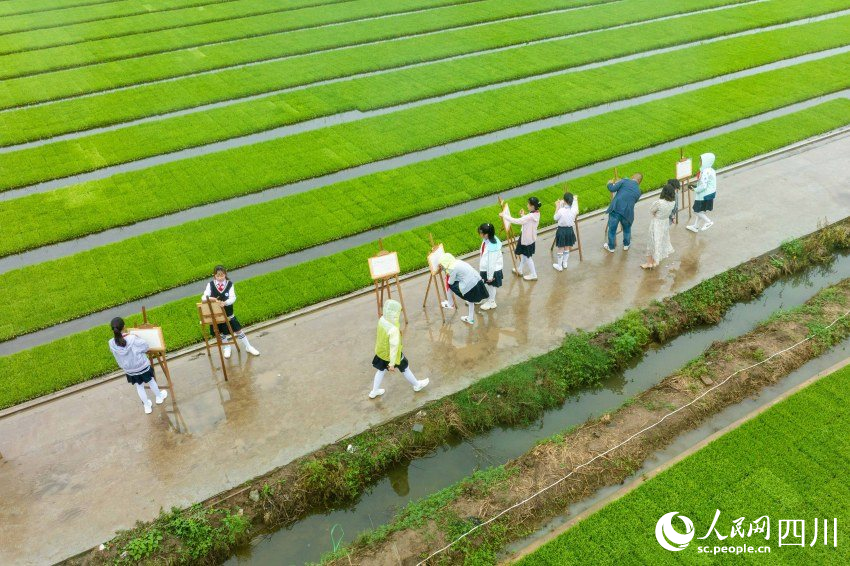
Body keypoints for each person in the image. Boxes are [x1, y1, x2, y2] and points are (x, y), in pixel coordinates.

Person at [370, 300, 429, 399]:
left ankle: (374, 391)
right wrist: (392, 363)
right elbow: (394, 347)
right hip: (392, 355)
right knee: (405, 368)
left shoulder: (382, 320)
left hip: (381, 352)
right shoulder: (393, 329)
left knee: (381, 371)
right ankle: (417, 385)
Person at [108, 317, 167, 414]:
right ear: (124, 327)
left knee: (139, 386)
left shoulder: (111, 343)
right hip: (141, 366)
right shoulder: (132, 338)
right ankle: (159, 397)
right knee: (151, 381)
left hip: (129, 369)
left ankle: (147, 406)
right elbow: (145, 347)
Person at [201, 265, 260, 358]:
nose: (220, 278)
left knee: (238, 330)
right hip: (216, 315)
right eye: (218, 276)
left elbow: (233, 297)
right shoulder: (210, 285)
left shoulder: (230, 284)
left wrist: (225, 303)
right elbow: (204, 297)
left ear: (225, 274)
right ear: (214, 276)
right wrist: (212, 299)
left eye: (222, 275)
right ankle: (227, 347)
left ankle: (248, 346)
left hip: (228, 313)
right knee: (220, 333)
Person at [440, 253, 489, 325]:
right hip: (477, 281)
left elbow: (451, 282)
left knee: (449, 284)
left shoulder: (452, 268)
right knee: (471, 299)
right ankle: (470, 318)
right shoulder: (458, 262)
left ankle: (450, 304)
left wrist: (447, 274)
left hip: (469, 286)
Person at [500, 196, 541, 281]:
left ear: (532, 206)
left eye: (528, 204)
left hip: (527, 239)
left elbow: (517, 221)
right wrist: (523, 215)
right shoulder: (536, 213)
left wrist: (504, 215)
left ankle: (534, 274)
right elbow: (527, 221)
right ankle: (520, 269)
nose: (527, 205)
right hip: (529, 238)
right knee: (524, 255)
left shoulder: (530, 216)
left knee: (527, 256)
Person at [642, 183, 677, 270]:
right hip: (665, 223)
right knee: (659, 241)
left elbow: (652, 210)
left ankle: (649, 263)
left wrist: (655, 215)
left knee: (651, 242)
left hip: (656, 223)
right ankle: (654, 261)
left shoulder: (659, 202)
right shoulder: (673, 202)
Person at [604, 173, 642, 252]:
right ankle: (626, 245)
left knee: (612, 230)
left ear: (632, 177)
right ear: (639, 182)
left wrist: (609, 183)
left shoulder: (624, 181)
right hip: (628, 213)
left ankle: (611, 247)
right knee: (627, 229)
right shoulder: (639, 191)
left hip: (616, 209)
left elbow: (612, 188)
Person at [687, 153, 717, 233]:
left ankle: (708, 222)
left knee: (696, 211)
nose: (700, 162)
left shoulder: (705, 171)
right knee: (701, 211)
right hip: (710, 194)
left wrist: (695, 189)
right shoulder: (711, 170)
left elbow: (703, 185)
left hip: (704, 195)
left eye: (701, 160)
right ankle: (695, 227)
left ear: (706, 161)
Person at [478, 223, 503, 310]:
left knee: (491, 286)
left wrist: (490, 276)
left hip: (492, 270)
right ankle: (489, 300)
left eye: (481, 232)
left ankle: (491, 302)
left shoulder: (492, 247)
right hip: (487, 269)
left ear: (487, 234)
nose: (480, 234)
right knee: (489, 285)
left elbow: (491, 263)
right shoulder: (487, 240)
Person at [553, 192, 578, 271]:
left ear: (564, 200)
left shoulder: (561, 210)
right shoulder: (574, 210)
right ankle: (565, 263)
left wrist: (557, 206)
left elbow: (555, 218)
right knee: (567, 247)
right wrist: (575, 200)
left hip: (561, 230)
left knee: (560, 248)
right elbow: (575, 205)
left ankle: (559, 266)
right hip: (570, 230)